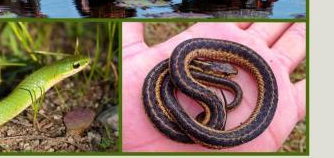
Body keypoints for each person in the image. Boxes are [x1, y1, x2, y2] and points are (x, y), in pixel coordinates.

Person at [122, 22, 306, 152]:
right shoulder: (178, 67)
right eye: (226, 75)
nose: (231, 74)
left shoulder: (183, 65)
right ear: (216, 73)